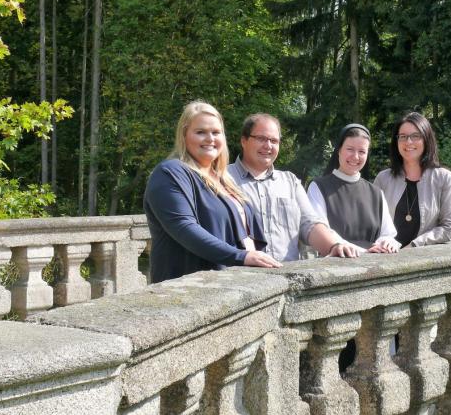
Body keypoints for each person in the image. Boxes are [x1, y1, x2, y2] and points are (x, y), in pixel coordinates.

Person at [144, 101, 282, 282]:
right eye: (200, 132)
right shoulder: (170, 173)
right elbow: (184, 228)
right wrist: (242, 257)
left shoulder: (224, 179)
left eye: (216, 132)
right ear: (184, 135)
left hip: (233, 286)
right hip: (190, 291)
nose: (210, 138)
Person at [228, 113, 359, 261]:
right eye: (261, 138)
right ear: (244, 140)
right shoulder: (222, 179)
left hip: (286, 276)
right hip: (239, 276)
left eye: (274, 141)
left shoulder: (290, 182)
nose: (268, 145)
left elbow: (309, 223)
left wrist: (333, 246)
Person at [307, 123, 401, 254]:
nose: (356, 157)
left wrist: (387, 243)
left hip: (374, 267)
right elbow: (320, 230)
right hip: (336, 265)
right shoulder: (318, 187)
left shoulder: (376, 192)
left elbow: (387, 233)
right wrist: (363, 251)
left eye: (362, 151)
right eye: (350, 149)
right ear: (339, 150)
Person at [373, 112, 451, 247]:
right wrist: (385, 242)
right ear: (397, 141)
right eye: (403, 137)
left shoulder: (444, 178)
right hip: (386, 258)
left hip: (424, 261)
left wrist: (414, 245)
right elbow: (373, 223)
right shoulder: (383, 179)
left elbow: (448, 229)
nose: (408, 142)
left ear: (426, 139)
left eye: (415, 136)